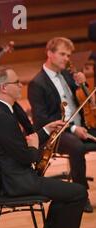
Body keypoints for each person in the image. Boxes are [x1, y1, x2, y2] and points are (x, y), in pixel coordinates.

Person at [0, 66, 90, 228]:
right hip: (15, 182)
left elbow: (16, 146)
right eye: (17, 82)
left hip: (13, 177)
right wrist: (33, 147)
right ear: (4, 88)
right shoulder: (1, 117)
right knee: (78, 192)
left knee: (65, 192)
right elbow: (27, 156)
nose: (21, 85)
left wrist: (46, 131)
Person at [28, 37, 96, 213]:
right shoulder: (37, 83)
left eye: (68, 55)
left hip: (81, 125)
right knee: (77, 147)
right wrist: (73, 129)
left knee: (79, 143)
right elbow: (42, 120)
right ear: (50, 54)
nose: (66, 58)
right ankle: (82, 196)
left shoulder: (67, 75)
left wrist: (83, 83)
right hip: (56, 134)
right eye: (62, 54)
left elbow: (84, 98)